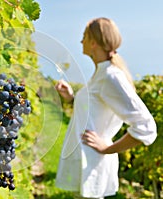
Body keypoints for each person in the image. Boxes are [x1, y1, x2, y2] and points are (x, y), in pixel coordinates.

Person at [55, 17, 157, 199]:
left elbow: (146, 126)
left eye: (84, 37)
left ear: (93, 43)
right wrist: (71, 98)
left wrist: (107, 148)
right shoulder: (101, 74)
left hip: (93, 164)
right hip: (86, 163)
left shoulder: (111, 76)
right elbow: (95, 111)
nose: (81, 41)